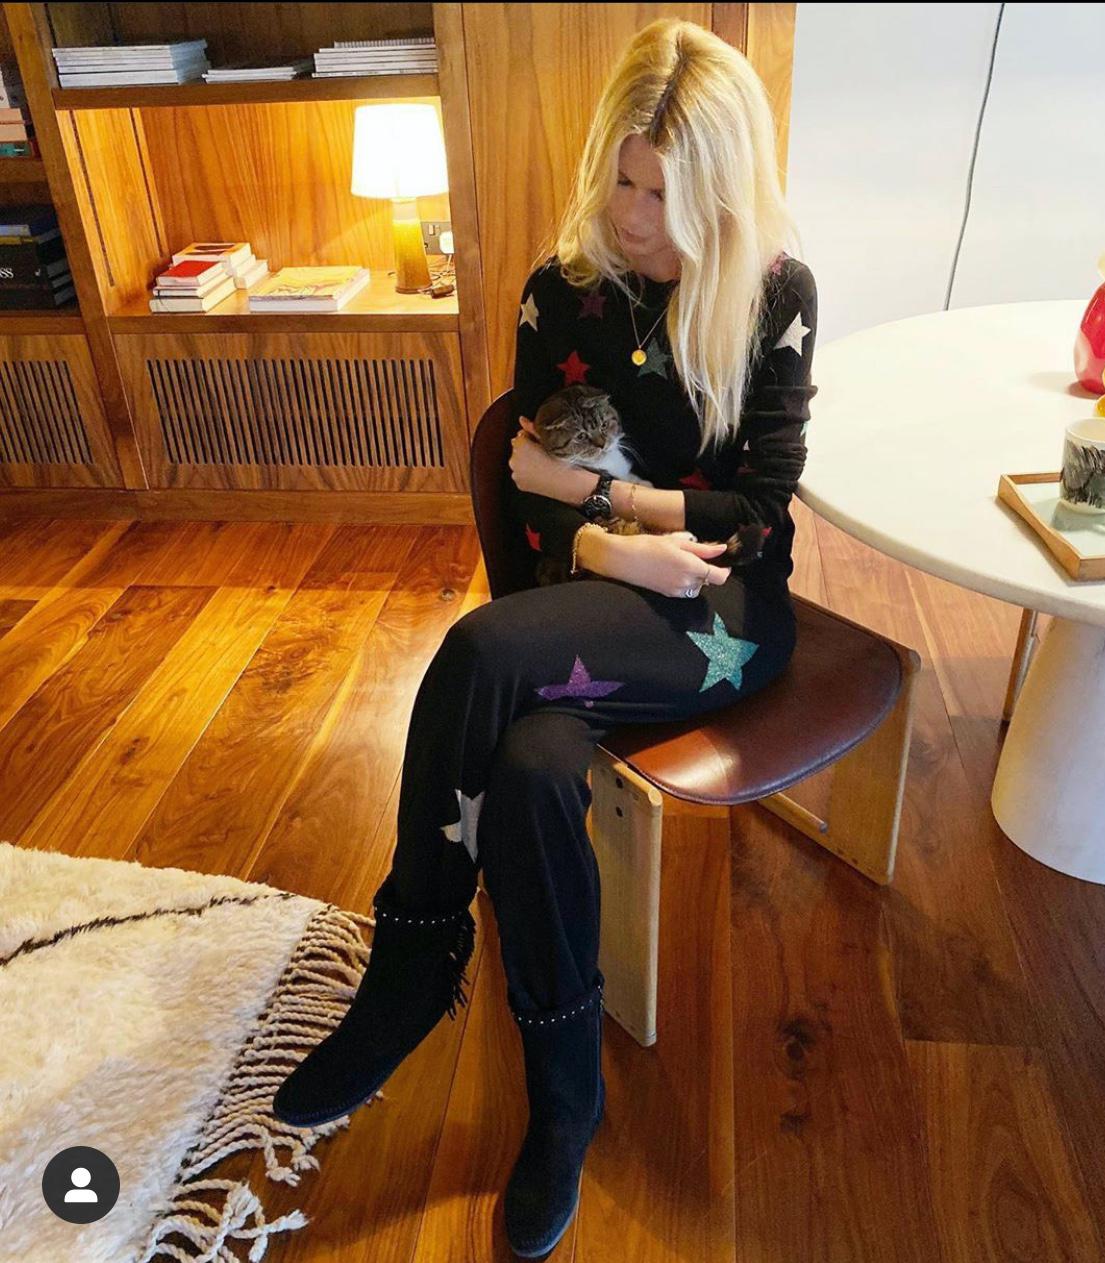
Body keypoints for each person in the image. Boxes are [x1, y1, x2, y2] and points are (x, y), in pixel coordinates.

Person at [272, 15, 818, 1260]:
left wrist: (607, 500)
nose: (633, 216)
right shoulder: (562, 288)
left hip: (727, 615)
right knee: (524, 775)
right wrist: (615, 545)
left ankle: (414, 959)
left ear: (723, 194)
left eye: (664, 196)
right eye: (623, 180)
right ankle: (567, 1098)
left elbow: (755, 514)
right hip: (589, 596)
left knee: (476, 653)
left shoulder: (775, 292)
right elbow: (529, 498)